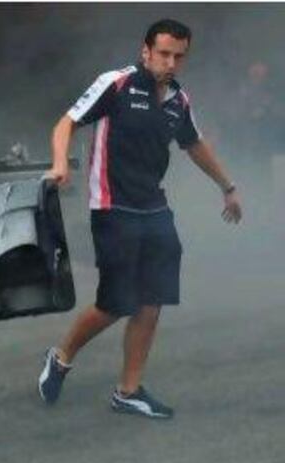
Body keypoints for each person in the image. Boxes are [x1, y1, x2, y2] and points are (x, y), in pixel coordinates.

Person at [37, 19, 242, 418]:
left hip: (154, 208)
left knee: (152, 300)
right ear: (146, 50)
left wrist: (227, 186)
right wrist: (61, 163)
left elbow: (194, 144)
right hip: (112, 206)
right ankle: (61, 357)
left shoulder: (178, 101)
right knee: (116, 303)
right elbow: (67, 122)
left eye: (178, 56)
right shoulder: (117, 83)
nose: (170, 62)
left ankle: (128, 391)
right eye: (163, 54)